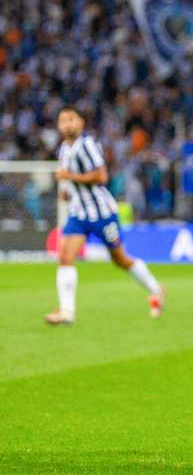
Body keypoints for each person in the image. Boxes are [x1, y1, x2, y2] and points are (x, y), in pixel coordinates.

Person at [45, 106, 165, 325]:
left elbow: (101, 177)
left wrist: (69, 176)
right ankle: (67, 312)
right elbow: (72, 183)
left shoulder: (87, 145)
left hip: (102, 213)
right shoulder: (63, 149)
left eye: (71, 119)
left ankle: (157, 289)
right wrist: (67, 191)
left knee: (119, 259)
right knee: (65, 257)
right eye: (62, 120)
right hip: (79, 213)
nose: (66, 124)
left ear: (81, 123)